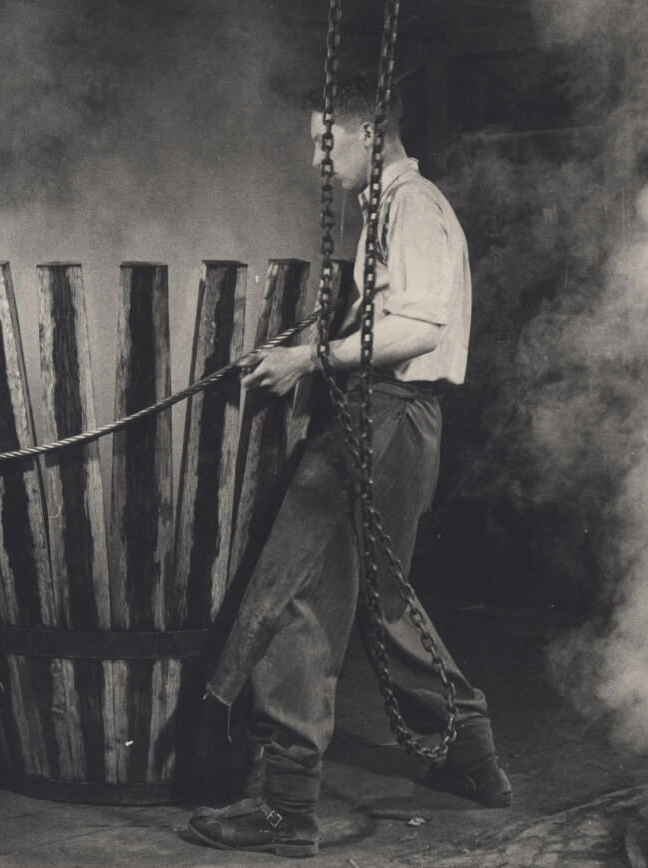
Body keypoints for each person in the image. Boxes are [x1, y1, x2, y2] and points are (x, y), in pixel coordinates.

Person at [187, 74, 510, 857]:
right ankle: (473, 758)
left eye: (325, 141)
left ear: (370, 132)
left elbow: (420, 326)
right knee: (381, 603)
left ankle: (284, 808)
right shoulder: (392, 208)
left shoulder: (412, 206)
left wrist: (309, 359)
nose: (317, 161)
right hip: (400, 419)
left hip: (385, 413)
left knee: (298, 594)